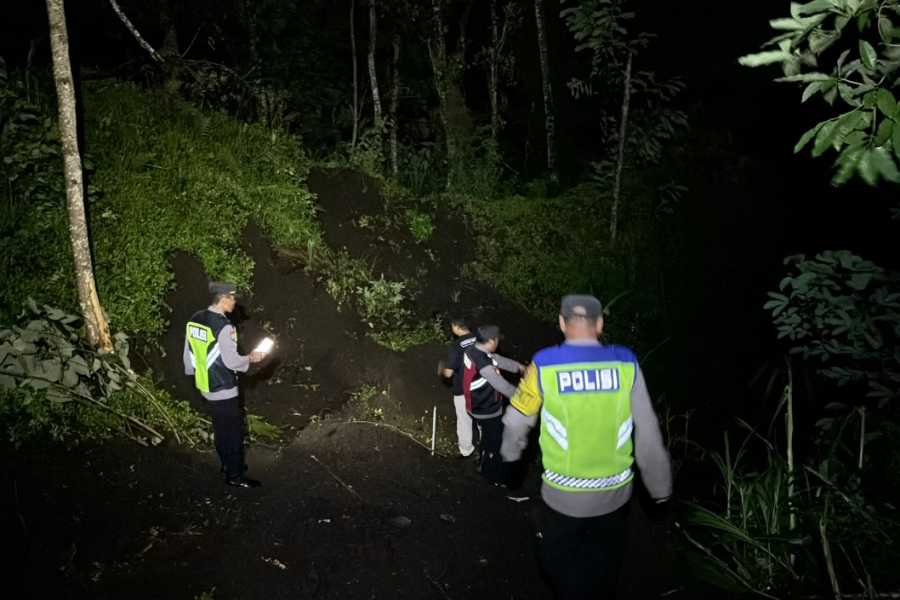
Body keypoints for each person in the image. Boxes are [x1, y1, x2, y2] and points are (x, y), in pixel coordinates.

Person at [500, 295, 672, 599]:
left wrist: (511, 456)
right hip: (615, 499)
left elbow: (516, 422)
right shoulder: (626, 363)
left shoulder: (544, 364)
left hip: (562, 499)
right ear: (601, 324)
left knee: (559, 568)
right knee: (603, 570)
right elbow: (647, 431)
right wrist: (660, 487)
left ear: (562, 323)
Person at [184, 281, 265, 489]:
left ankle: (226, 465)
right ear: (223, 299)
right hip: (224, 388)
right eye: (232, 297)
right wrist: (251, 359)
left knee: (220, 430)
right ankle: (236, 475)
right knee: (233, 433)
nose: (234, 302)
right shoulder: (224, 326)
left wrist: (193, 374)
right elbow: (231, 362)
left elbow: (188, 353)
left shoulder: (195, 319)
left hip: (205, 385)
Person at [463, 324, 525, 484]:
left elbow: (495, 359)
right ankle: (491, 476)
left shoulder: (473, 350)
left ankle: (481, 459)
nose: (499, 343)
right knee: (496, 442)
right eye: (497, 339)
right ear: (491, 341)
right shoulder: (484, 364)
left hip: (474, 405)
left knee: (487, 437)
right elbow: (502, 385)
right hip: (486, 409)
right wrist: (525, 398)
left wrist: (519, 367)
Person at [440, 318, 478, 458]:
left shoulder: (456, 346)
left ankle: (466, 450)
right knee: (483, 419)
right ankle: (486, 448)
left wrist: (442, 371)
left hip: (463, 389)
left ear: (456, 327)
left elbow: (449, 373)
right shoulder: (482, 339)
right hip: (483, 387)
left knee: (464, 420)